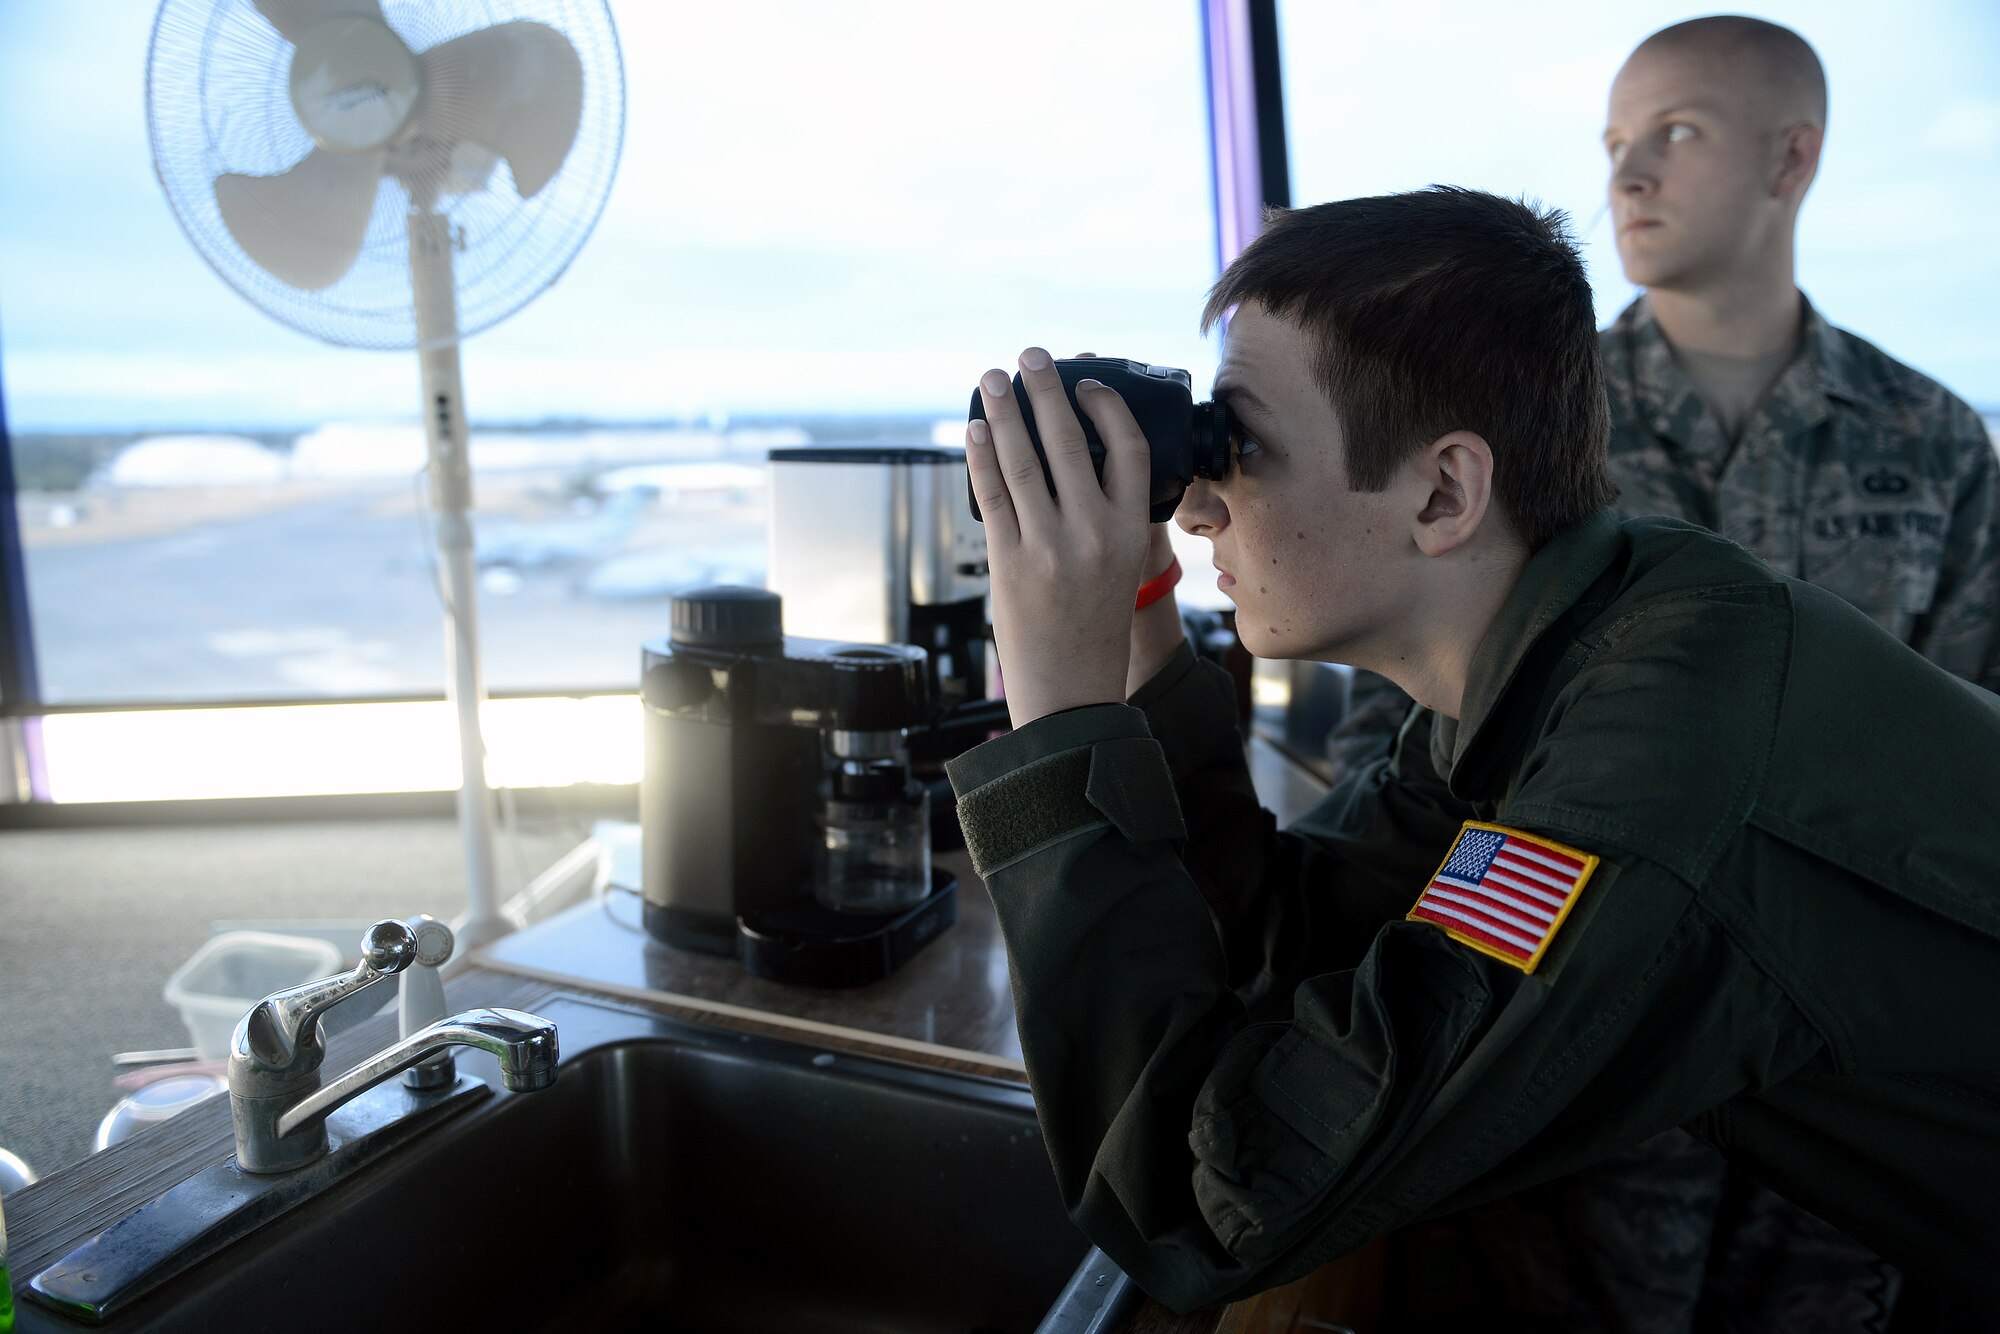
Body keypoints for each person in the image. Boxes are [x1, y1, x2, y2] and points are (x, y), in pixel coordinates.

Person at [947, 187, 2000, 1323]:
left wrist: (1053, 707)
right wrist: (1138, 606)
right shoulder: (1582, 647)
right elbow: (1298, 939)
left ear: (1443, 492)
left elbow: (1215, 1200)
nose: (1202, 502)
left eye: (1239, 443)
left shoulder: (1648, 758)